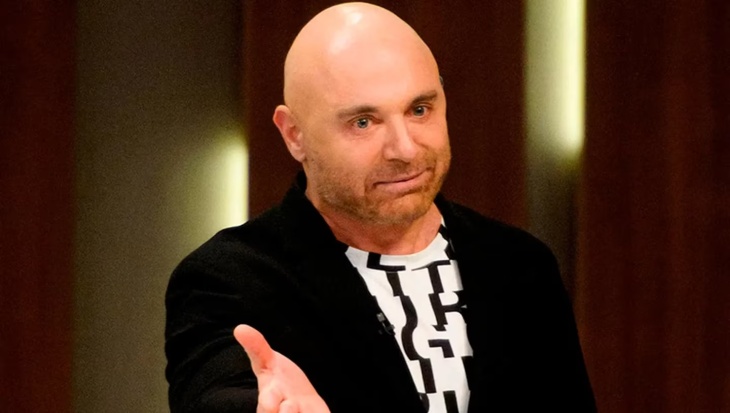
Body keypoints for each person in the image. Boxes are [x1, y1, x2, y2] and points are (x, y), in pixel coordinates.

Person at [165, 2, 596, 413]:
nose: (405, 149)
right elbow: (215, 393)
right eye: (363, 122)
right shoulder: (228, 278)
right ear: (294, 134)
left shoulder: (520, 265)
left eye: (420, 110)